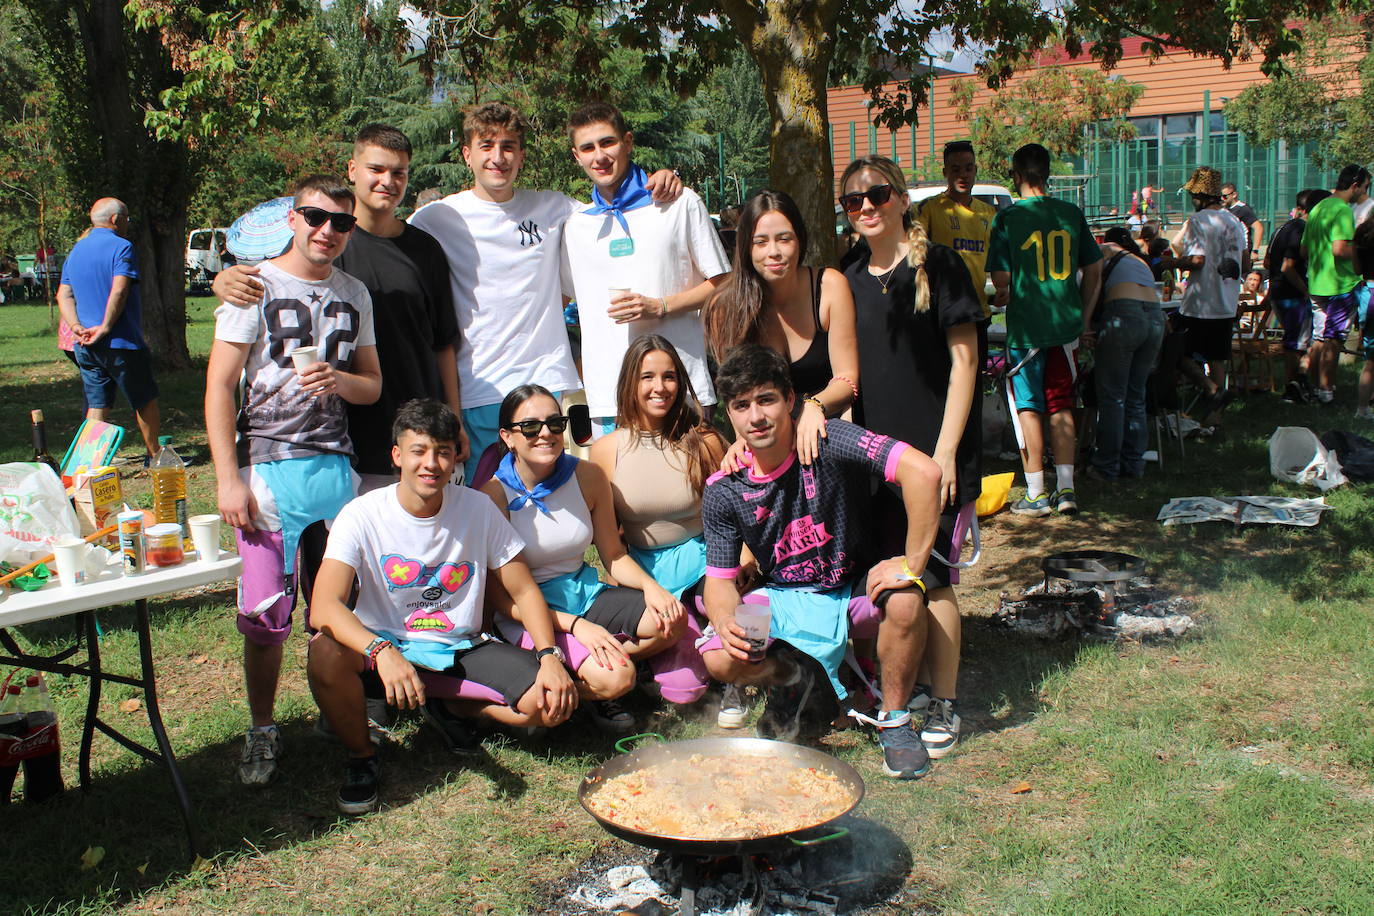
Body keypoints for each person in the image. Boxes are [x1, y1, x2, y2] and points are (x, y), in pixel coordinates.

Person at [307, 399, 578, 814]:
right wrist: (382, 651)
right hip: (384, 643)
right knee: (324, 653)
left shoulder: (478, 508)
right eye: (418, 451)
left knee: (548, 709)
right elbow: (323, 608)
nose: (431, 463)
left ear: (456, 456)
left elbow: (524, 591)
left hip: (460, 644)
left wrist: (549, 656)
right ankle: (362, 757)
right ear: (397, 455)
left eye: (443, 451)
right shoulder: (361, 514)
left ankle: (449, 704)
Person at [204, 175, 382, 788]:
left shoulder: (353, 291)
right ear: (293, 217)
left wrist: (340, 382)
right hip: (268, 479)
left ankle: (337, 712)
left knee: (335, 611)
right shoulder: (251, 286)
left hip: (335, 474)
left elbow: (373, 384)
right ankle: (261, 728)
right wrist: (229, 479)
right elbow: (220, 387)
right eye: (315, 217)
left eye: (341, 223)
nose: (327, 231)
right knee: (264, 617)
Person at [699, 345, 942, 778]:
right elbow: (718, 581)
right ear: (729, 417)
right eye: (741, 406)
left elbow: (924, 473)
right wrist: (723, 622)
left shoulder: (828, 438)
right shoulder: (723, 487)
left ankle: (895, 721)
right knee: (720, 658)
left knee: (906, 598)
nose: (755, 416)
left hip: (849, 589)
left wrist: (913, 564)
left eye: (766, 399)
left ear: (790, 399)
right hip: (780, 598)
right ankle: (794, 681)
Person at [410, 102, 682, 481]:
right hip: (478, 392)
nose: (498, 157)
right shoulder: (436, 218)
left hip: (548, 385)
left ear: (521, 155)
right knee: (486, 511)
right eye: (486, 146)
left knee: (557, 507)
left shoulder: (555, 208)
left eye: (508, 146)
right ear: (466, 154)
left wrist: (658, 179)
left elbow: (615, 205)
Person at [212, 125, 464, 493]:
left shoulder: (425, 250)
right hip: (344, 439)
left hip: (420, 428)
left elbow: (443, 342)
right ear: (352, 170)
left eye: (399, 173)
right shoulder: (322, 240)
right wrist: (226, 281)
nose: (387, 181)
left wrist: (453, 419)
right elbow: (276, 279)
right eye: (376, 169)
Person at [839, 155, 982, 759]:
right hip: (874, 462)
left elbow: (966, 361)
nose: (867, 207)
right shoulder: (845, 277)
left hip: (935, 452)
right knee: (894, 579)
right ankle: (913, 688)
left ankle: (945, 703)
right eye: (854, 201)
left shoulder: (940, 266)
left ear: (900, 200)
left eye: (877, 195)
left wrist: (947, 450)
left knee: (936, 579)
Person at [480, 384, 704, 732]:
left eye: (555, 424)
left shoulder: (585, 476)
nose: (545, 434)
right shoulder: (492, 498)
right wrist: (576, 626)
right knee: (617, 679)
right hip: (529, 614)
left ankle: (586, 668)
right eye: (530, 427)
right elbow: (499, 599)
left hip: (583, 592)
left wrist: (652, 588)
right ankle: (590, 686)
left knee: (672, 619)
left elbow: (612, 555)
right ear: (508, 437)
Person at [560, 101, 729, 439]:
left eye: (607, 143)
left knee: (689, 490)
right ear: (576, 156)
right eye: (587, 148)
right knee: (615, 493)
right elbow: (566, 299)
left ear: (628, 142)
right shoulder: (575, 225)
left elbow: (723, 282)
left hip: (678, 390)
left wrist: (660, 306)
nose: (599, 157)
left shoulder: (680, 204)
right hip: (610, 398)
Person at [588, 335, 731, 721]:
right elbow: (610, 549)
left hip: (707, 565)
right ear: (630, 384)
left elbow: (736, 516)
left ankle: (723, 660)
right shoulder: (605, 451)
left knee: (730, 623)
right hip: (647, 575)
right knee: (683, 692)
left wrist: (742, 564)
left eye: (669, 377)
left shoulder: (705, 440)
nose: (659, 387)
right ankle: (668, 659)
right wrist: (643, 589)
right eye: (647, 376)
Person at [703, 188, 859, 463]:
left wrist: (815, 405)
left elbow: (847, 378)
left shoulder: (830, 286)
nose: (773, 252)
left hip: (824, 437)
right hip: (763, 445)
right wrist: (740, 440)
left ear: (800, 240)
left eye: (784, 239)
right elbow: (733, 392)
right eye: (760, 242)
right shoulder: (724, 307)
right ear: (745, 247)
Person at [988, 143, 1103, 516]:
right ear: (1048, 174)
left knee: (1029, 407)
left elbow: (1002, 278)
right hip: (1065, 328)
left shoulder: (1006, 219)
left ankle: (1036, 491)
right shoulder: (1071, 213)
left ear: (1016, 176)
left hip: (1026, 330)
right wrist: (1084, 317)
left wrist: (1005, 291)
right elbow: (1096, 269)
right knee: (1062, 403)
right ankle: (1067, 490)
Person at [56, 198, 162, 458]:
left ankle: (89, 464)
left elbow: (63, 295)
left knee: (97, 404)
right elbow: (120, 288)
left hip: (85, 344)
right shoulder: (122, 247)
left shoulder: (77, 251)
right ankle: (155, 455)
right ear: (117, 219)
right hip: (121, 341)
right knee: (144, 399)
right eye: (127, 218)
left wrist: (76, 327)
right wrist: (105, 327)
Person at [1157, 167, 1248, 421]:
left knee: (1176, 352)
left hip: (1200, 303)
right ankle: (1214, 417)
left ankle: (1193, 399)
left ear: (1199, 195)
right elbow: (1246, 263)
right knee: (1217, 358)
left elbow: (1196, 261)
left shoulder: (1198, 220)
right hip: (1226, 300)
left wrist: (1171, 264)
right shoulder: (1235, 221)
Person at [1084, 228, 1165, 482]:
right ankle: (1133, 465)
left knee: (1112, 397)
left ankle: (1106, 467)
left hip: (1124, 313)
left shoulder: (1100, 250)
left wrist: (1084, 324)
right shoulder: (1137, 259)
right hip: (1154, 317)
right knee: (1135, 396)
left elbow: (1093, 283)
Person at [1301, 165, 1370, 406]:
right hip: (1340, 285)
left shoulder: (1319, 207)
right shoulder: (1342, 210)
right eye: (1364, 187)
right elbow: (1340, 249)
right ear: (1355, 185)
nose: (1363, 192)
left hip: (1317, 282)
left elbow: (1304, 249)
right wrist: (1360, 255)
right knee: (1333, 340)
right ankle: (1326, 390)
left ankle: (1314, 389)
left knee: (1319, 338)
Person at [916, 140, 997, 318]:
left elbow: (997, 259)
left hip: (979, 310)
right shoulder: (929, 209)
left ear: (975, 170)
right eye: (956, 170)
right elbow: (916, 256)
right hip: (943, 312)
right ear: (945, 172)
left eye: (968, 169)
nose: (963, 175)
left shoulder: (989, 213)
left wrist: (1002, 288)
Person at [1266, 189, 1329, 403]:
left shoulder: (1281, 228)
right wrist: (1307, 291)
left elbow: (1267, 263)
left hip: (1277, 292)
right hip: (1292, 295)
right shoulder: (1302, 230)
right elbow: (1288, 267)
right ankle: (1293, 389)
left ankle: (1298, 383)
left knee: (1298, 342)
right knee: (1297, 344)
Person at [1221, 182, 1265, 256]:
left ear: (1234, 195)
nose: (1222, 199)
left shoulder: (1243, 208)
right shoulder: (1223, 210)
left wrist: (1255, 251)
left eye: (1225, 196)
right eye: (1221, 196)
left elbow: (1258, 228)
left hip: (1243, 251)